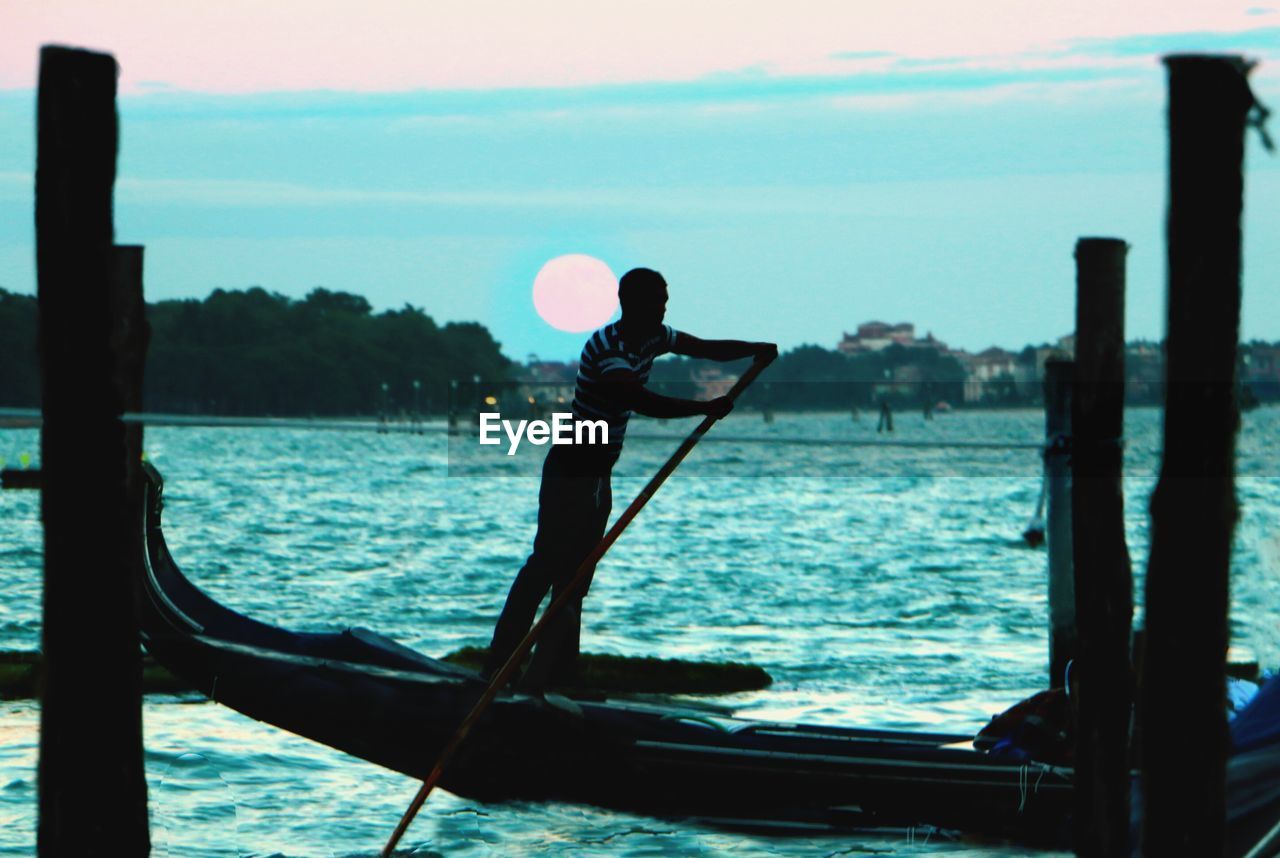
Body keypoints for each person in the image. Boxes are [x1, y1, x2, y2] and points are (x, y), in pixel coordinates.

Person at [482, 267, 776, 692]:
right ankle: (497, 666)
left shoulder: (654, 337)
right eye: (658, 301)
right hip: (571, 469)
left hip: (600, 473)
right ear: (633, 304)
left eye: (665, 300)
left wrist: (756, 350)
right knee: (544, 568)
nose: (665, 307)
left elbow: (703, 347)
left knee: (577, 580)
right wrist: (703, 408)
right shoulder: (608, 348)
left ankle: (556, 678)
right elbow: (637, 399)